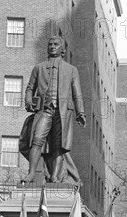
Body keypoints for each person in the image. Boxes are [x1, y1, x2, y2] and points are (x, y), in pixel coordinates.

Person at [21, 36, 86, 184]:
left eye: (56, 44)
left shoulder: (71, 70)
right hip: (45, 110)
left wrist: (80, 112)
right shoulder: (39, 67)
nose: (52, 46)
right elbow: (30, 88)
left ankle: (55, 176)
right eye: (50, 44)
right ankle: (31, 174)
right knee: (37, 140)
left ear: (62, 49)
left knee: (59, 145)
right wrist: (29, 101)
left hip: (63, 112)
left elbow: (77, 93)